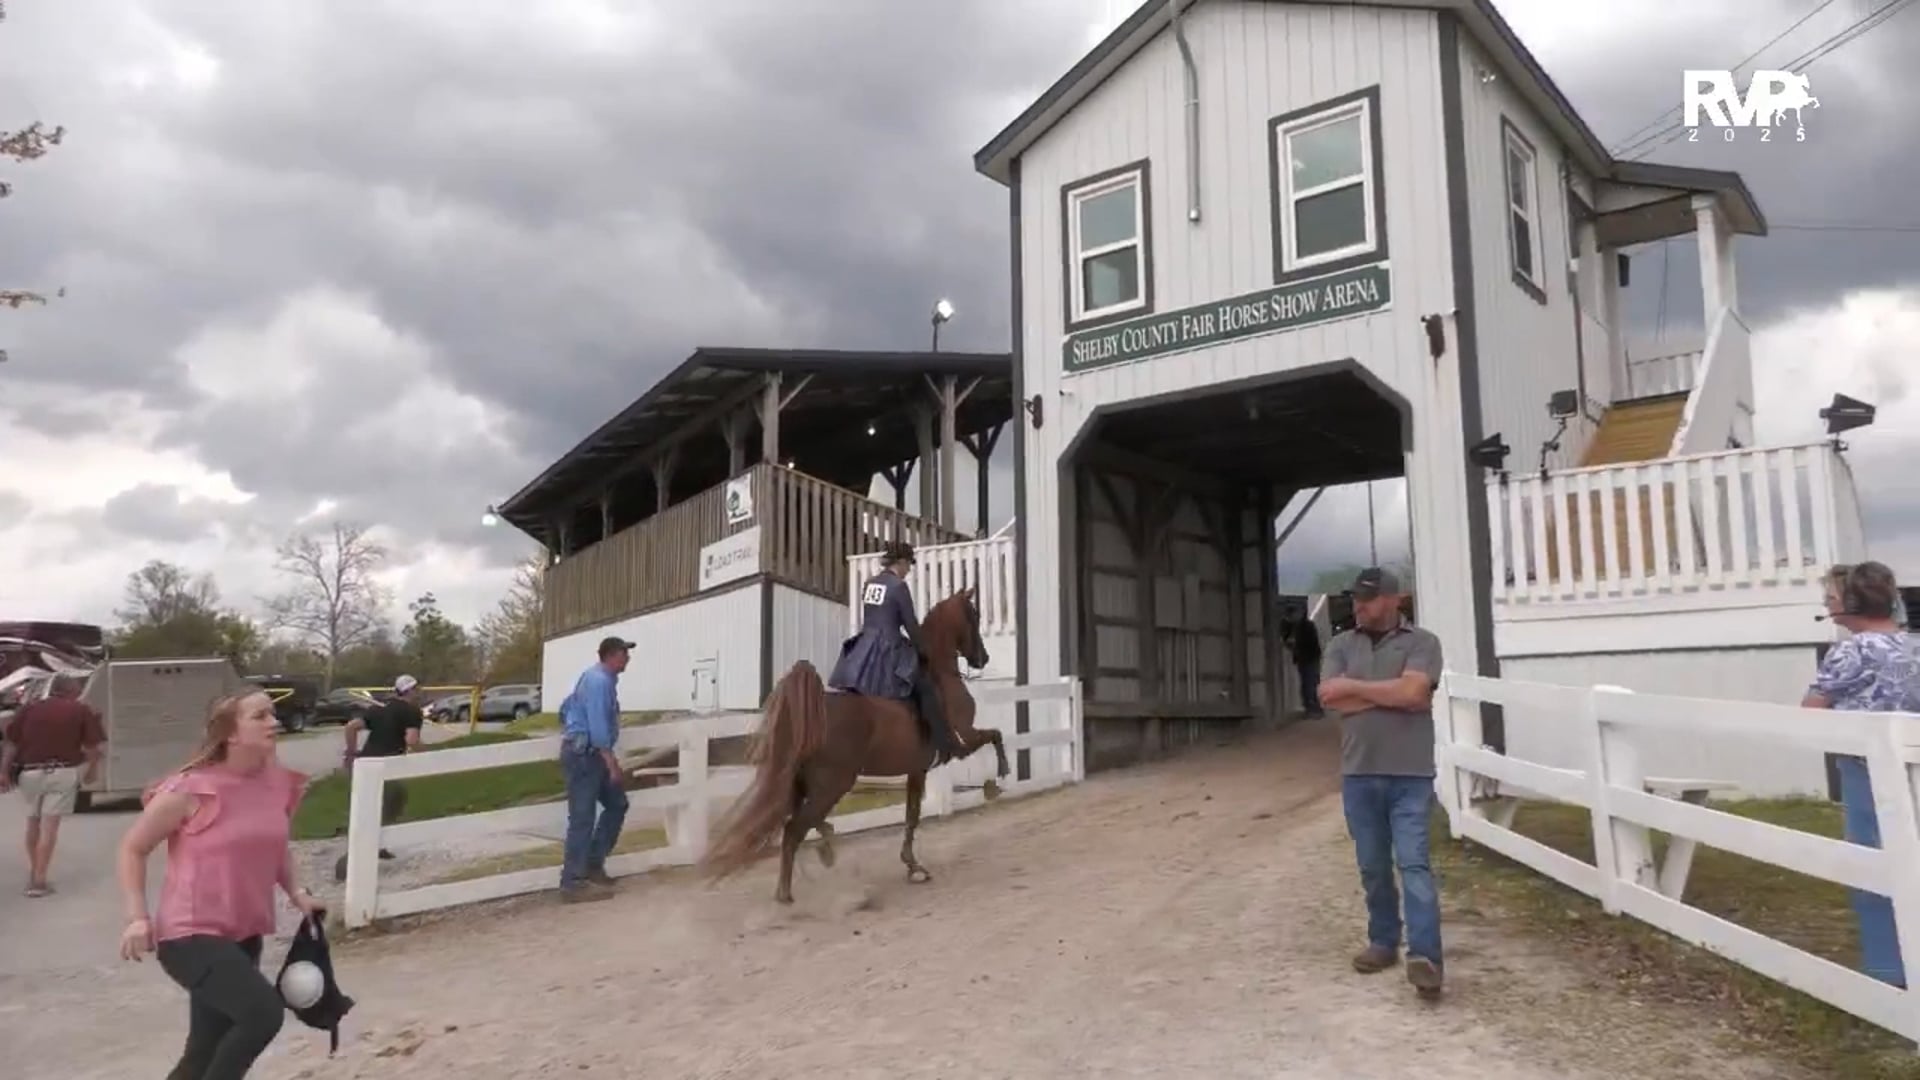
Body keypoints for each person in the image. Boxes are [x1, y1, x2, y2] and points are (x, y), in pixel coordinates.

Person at [116, 688, 326, 1079]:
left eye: (272, 714)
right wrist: (137, 917)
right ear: (231, 732)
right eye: (260, 716)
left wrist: (297, 893)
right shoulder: (189, 789)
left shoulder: (276, 784)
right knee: (262, 1014)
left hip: (243, 934)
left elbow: (275, 846)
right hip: (189, 935)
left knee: (204, 1050)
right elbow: (133, 848)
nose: (274, 722)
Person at [1316, 566, 1446, 1000]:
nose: (1359, 606)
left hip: (1411, 773)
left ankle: (1425, 957)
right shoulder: (1339, 645)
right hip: (1359, 773)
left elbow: (1416, 695)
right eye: (1356, 598)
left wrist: (1357, 689)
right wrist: (1395, 692)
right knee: (1372, 866)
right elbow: (1330, 697)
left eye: (1369, 599)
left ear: (1395, 600)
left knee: (1413, 864)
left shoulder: (1423, 643)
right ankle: (1383, 940)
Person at [1802, 561, 1917, 988]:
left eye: (1830, 598)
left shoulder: (1851, 651)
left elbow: (1810, 713)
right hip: (1913, 769)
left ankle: (1888, 973)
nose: (1827, 605)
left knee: (1872, 867)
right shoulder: (1915, 646)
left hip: (1866, 771)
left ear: (1850, 602)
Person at [827, 540, 961, 765]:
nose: (909, 570)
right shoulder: (898, 587)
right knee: (926, 686)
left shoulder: (870, 584)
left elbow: (874, 617)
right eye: (908, 564)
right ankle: (943, 743)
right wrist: (923, 651)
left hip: (865, 648)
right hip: (889, 648)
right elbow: (909, 624)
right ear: (900, 562)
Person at [0, 673, 106, 897]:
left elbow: (11, 742)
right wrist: (92, 771)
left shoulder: (29, 709)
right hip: (62, 770)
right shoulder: (80, 710)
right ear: (71, 691)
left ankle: (35, 871)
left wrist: (3, 772)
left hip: (30, 773)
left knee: (33, 821)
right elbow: (93, 748)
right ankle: (39, 881)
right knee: (50, 825)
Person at [557, 637, 632, 903]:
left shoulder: (594, 678)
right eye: (625, 654)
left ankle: (591, 864)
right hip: (587, 756)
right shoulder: (599, 682)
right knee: (583, 817)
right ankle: (573, 881)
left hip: (587, 753)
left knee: (617, 804)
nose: (628, 659)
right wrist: (611, 762)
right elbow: (599, 727)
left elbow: (566, 707)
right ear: (612, 655)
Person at [332, 675, 424, 882]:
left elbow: (351, 727)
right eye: (417, 689)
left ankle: (379, 846)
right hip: (387, 766)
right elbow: (412, 739)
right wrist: (428, 753)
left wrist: (351, 753)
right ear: (409, 691)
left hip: (365, 764)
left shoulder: (380, 708)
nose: (419, 693)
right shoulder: (411, 711)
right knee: (388, 805)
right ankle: (349, 864)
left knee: (375, 806)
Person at [1285, 608, 1324, 718]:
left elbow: (1310, 643)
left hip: (1310, 657)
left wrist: (1294, 644)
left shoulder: (1306, 626)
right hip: (1305, 658)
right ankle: (1312, 707)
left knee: (1310, 683)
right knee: (1309, 683)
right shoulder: (1293, 626)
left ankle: (1313, 708)